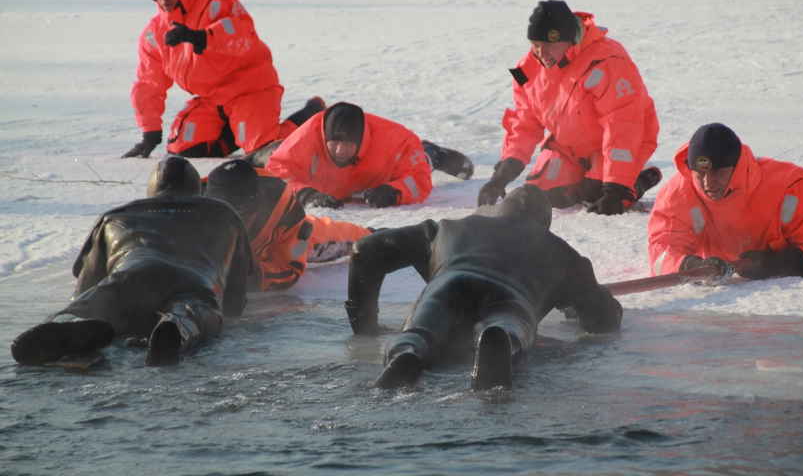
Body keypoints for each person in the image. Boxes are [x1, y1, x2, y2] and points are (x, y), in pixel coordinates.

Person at [344, 185, 623, 390]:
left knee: (420, 333)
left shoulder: (448, 228)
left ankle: (408, 352)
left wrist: (364, 323)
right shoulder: (562, 255)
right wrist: (576, 300)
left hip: (450, 284)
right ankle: (501, 336)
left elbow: (365, 250)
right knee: (509, 324)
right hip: (512, 297)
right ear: (544, 226)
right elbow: (604, 320)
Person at [10, 157, 258, 367]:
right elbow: (236, 298)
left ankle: (70, 322)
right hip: (193, 282)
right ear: (196, 188)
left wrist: (87, 305)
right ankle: (178, 326)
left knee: (93, 304)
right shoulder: (224, 214)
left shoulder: (115, 216)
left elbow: (85, 286)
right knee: (195, 310)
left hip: (130, 275)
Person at [123, 0, 325, 159]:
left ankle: (310, 117)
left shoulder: (217, 3)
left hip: (250, 89)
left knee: (263, 151)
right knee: (183, 149)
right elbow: (148, 83)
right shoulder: (153, 34)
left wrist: (200, 37)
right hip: (212, 98)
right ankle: (237, 131)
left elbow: (242, 34)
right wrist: (150, 131)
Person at [478, 0, 661, 213]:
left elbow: (622, 125)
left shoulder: (607, 61)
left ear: (570, 40)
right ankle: (597, 178)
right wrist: (502, 175)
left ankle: (635, 179)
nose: (541, 53)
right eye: (536, 44)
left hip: (620, 143)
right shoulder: (524, 70)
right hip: (568, 145)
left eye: (550, 45)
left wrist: (616, 187)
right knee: (545, 195)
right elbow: (524, 122)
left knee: (597, 195)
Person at [647, 122, 803, 280]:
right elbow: (660, 250)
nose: (709, 184)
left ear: (737, 166)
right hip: (748, 245)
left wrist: (781, 262)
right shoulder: (678, 193)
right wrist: (687, 265)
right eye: (700, 174)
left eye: (719, 173)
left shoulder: (793, 186)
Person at [205, 158, 374, 291]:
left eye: (235, 211)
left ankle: (373, 235)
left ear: (253, 206)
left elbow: (290, 269)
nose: (227, 218)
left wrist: (255, 276)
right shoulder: (190, 200)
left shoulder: (284, 210)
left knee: (344, 237)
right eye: (219, 210)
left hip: (286, 243)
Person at [265, 101, 474, 209]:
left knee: (422, 162)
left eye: (347, 144)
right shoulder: (307, 136)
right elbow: (276, 171)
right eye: (334, 143)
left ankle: (432, 154)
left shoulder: (396, 140)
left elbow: (418, 180)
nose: (339, 150)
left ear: (360, 141)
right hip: (332, 186)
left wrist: (395, 191)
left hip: (383, 175)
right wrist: (305, 194)